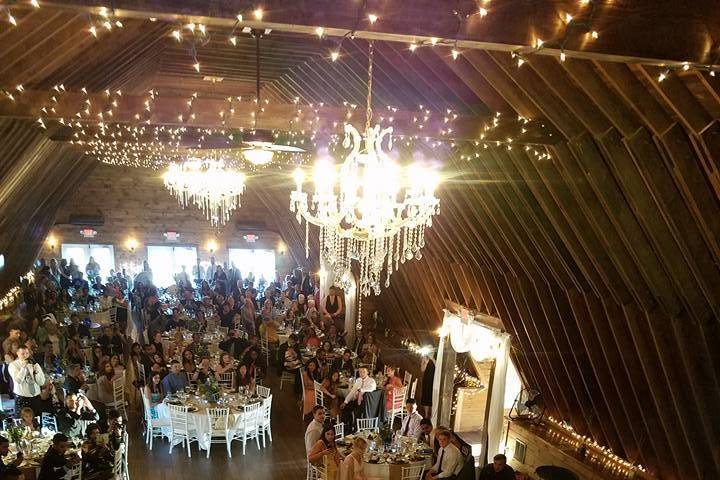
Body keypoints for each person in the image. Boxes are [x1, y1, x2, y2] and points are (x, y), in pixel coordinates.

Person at [8, 345, 45, 412]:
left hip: (36, 397)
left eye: (27, 353)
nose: (25, 356)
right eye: (22, 354)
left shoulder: (34, 364)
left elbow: (41, 382)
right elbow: (18, 380)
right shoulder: (13, 365)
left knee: (37, 419)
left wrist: (36, 372)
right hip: (22, 397)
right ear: (17, 354)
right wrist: (23, 367)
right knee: (22, 420)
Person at [341, 367, 376, 431]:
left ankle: (356, 429)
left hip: (366, 403)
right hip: (357, 400)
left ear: (367, 372)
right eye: (360, 372)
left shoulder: (371, 381)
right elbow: (352, 391)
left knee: (357, 411)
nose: (361, 373)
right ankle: (348, 425)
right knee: (346, 407)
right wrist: (345, 401)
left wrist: (361, 390)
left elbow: (372, 388)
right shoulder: (358, 380)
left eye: (363, 372)